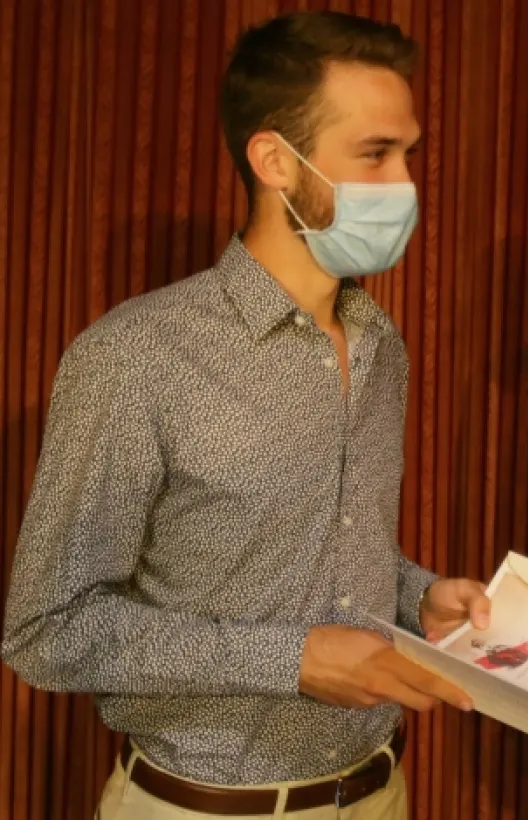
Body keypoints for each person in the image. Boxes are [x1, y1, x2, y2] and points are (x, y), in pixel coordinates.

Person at [1, 11, 490, 819]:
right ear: (275, 161)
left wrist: (420, 596)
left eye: (408, 153)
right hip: (202, 806)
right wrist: (292, 660)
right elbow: (49, 630)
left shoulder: (380, 343)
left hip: (378, 791)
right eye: (375, 153)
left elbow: (323, 551)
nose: (405, 183)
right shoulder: (136, 355)